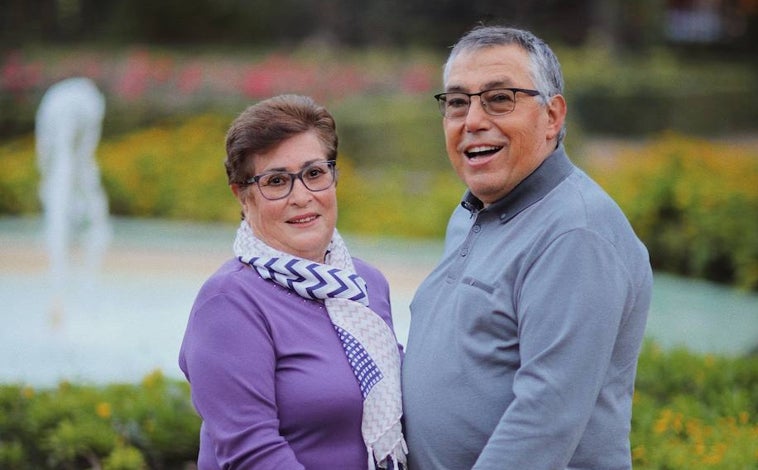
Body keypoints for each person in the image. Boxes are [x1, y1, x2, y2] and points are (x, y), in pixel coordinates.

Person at [401, 26, 653, 469]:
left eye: (499, 98)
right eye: (457, 102)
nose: (473, 120)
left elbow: (544, 420)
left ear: (552, 116)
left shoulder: (576, 233)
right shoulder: (474, 210)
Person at [179, 94, 407, 469]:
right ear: (243, 195)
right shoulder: (229, 302)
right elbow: (251, 454)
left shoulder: (364, 283)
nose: (301, 196)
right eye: (276, 181)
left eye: (314, 173)